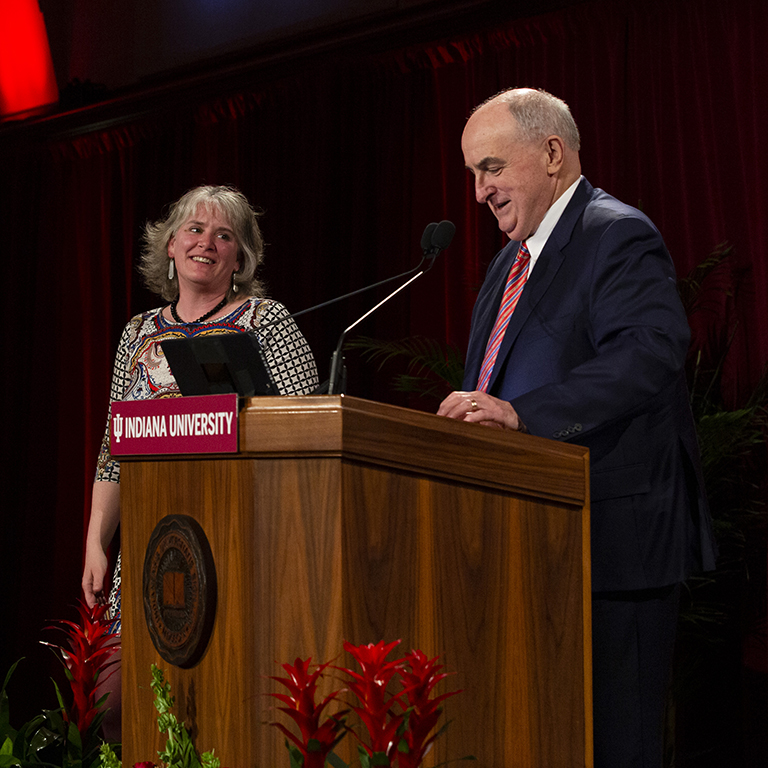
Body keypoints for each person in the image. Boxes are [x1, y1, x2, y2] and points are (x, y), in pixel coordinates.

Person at [437, 88, 717, 767]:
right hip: (531, 547)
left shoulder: (614, 232)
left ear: (553, 154)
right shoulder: (510, 262)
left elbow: (649, 349)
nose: (479, 191)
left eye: (492, 168)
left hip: (614, 545)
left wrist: (523, 414)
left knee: (618, 745)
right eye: (474, 173)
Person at [81, 185, 319, 737]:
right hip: (148, 537)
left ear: (240, 258)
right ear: (168, 245)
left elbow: (304, 426)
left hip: (241, 537)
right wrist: (97, 538)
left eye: (223, 235)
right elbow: (115, 445)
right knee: (111, 708)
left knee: (220, 705)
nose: (205, 243)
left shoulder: (268, 321)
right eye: (193, 229)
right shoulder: (137, 334)